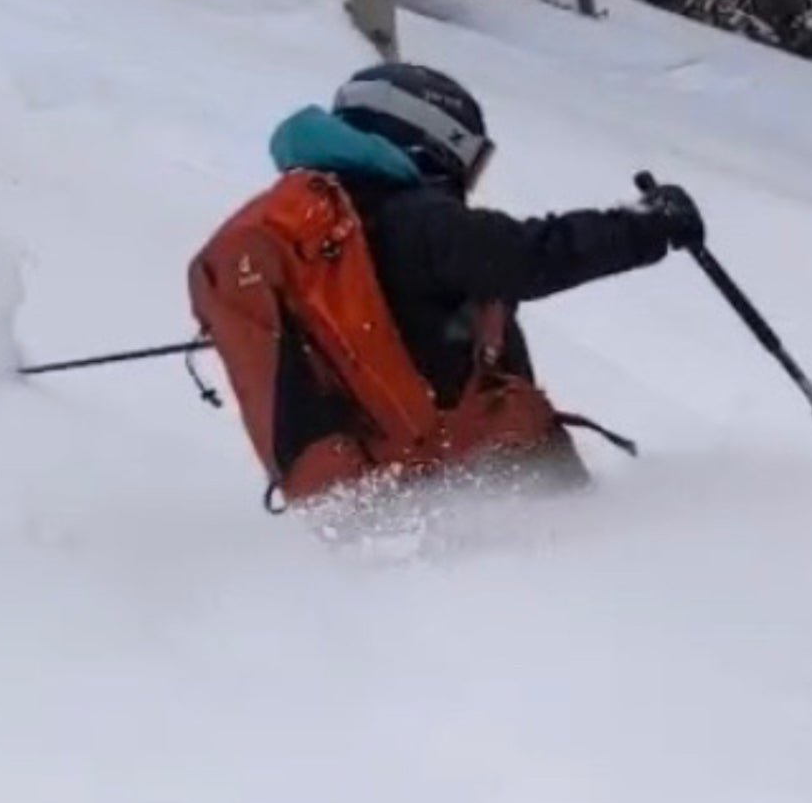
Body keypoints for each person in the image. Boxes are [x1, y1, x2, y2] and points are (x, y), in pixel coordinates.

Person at [190, 61, 703, 506]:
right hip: (478, 477)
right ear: (433, 138)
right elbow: (524, 255)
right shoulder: (412, 217)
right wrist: (648, 226)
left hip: (373, 492)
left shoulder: (315, 230)